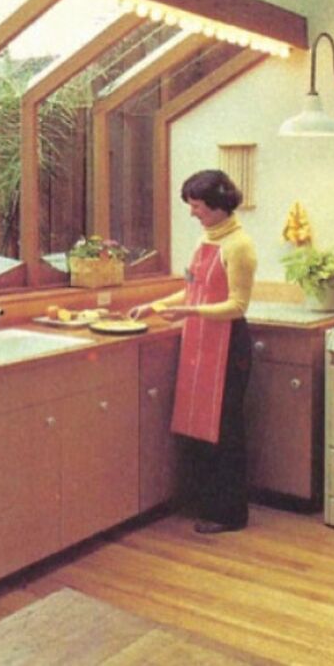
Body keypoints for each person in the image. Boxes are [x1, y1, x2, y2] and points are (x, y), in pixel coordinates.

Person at [130, 169, 256, 534]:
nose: (192, 213)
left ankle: (231, 514)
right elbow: (192, 290)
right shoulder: (206, 241)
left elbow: (237, 306)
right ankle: (207, 504)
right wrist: (152, 307)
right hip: (200, 341)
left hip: (228, 343)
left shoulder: (239, 246)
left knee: (225, 428)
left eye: (197, 206)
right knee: (200, 425)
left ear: (218, 206)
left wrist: (188, 313)